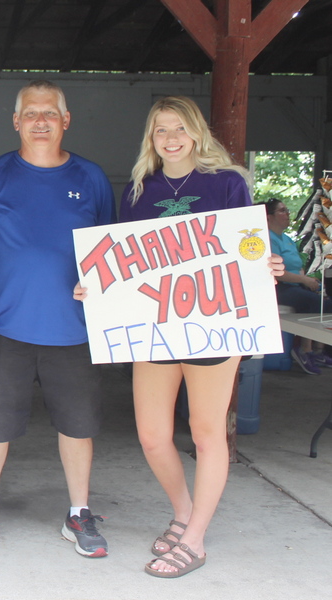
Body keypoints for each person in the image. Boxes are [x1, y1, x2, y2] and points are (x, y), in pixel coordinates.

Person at [0, 80, 115, 560]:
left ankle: (79, 513)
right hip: (7, 326)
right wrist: (12, 276)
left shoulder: (91, 178)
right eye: (30, 113)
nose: (40, 120)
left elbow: (111, 252)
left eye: (50, 113)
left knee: (78, 426)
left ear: (65, 121)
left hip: (75, 327)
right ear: (16, 121)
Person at [108, 95, 256, 577]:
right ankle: (183, 510)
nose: (170, 139)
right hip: (154, 324)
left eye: (178, 129)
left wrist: (266, 265)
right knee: (153, 436)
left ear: (197, 132)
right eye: (160, 131)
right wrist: (96, 285)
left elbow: (247, 249)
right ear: (150, 139)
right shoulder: (137, 190)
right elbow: (120, 260)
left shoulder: (227, 183)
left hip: (214, 322)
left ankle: (194, 541)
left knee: (206, 432)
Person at [265, 197, 332, 373]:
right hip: (278, 287)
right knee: (316, 304)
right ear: (269, 217)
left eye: (287, 210)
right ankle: (304, 350)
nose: (287, 214)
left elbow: (298, 267)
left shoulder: (287, 239)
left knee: (323, 301)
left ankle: (317, 351)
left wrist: (309, 281)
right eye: (282, 210)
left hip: (295, 285)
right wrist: (304, 281)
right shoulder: (268, 238)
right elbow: (277, 271)